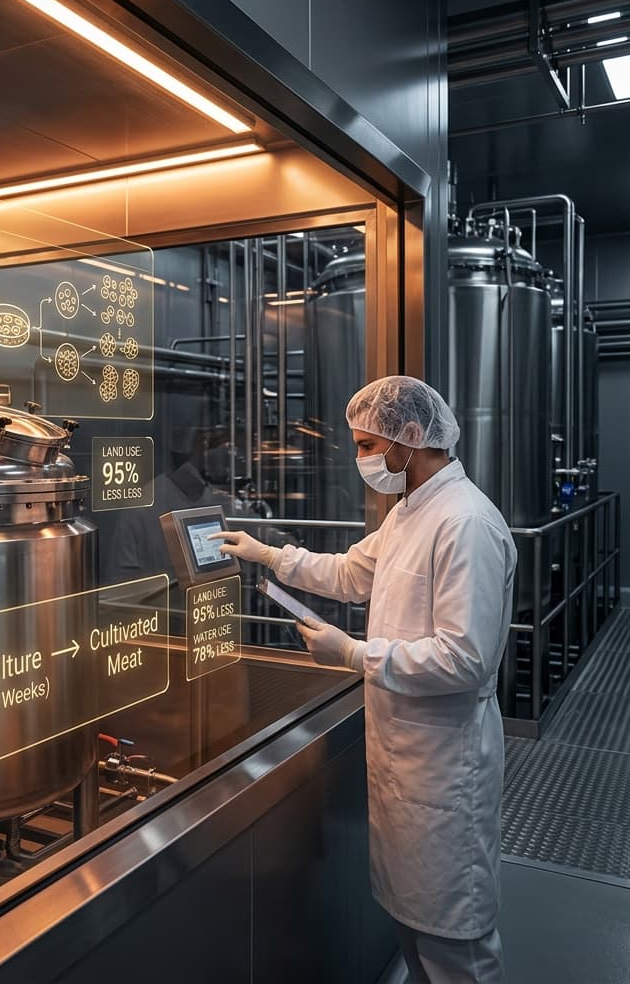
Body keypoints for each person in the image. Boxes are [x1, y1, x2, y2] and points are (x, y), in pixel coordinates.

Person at [212, 375, 516, 984]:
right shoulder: (410, 512)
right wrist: (268, 555)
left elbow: (465, 658)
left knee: (455, 942)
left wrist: (352, 653)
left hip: (445, 762)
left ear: (410, 436)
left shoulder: (465, 523)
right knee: (416, 927)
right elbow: (351, 574)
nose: (362, 460)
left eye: (368, 445)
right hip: (406, 754)